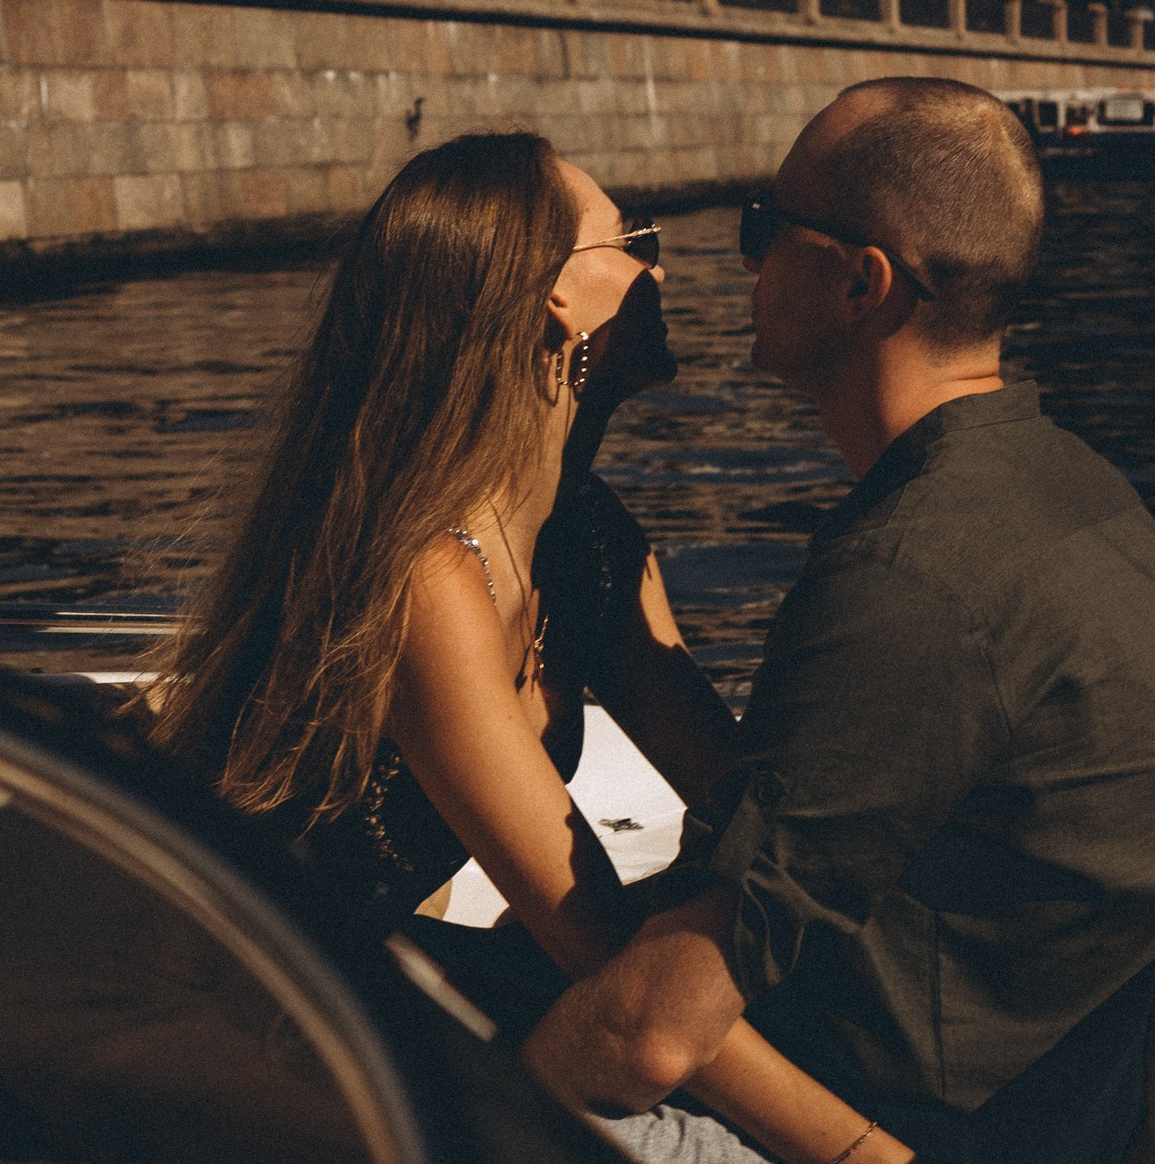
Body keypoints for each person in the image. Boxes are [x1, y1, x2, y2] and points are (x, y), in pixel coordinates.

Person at [523, 79, 1155, 1164]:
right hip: (1076, 1055)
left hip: (957, 1118)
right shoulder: (1063, 477)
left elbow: (646, 1038)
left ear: (861, 284)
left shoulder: (912, 572)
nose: (742, 260)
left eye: (765, 230)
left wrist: (471, 1091)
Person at [150, 131, 914, 1164]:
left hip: (359, 975)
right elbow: (611, 969)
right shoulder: (430, 583)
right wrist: (867, 1154)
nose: (659, 268)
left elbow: (743, 812)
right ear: (555, 298)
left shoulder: (587, 541)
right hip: (226, 1021)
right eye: (631, 241)